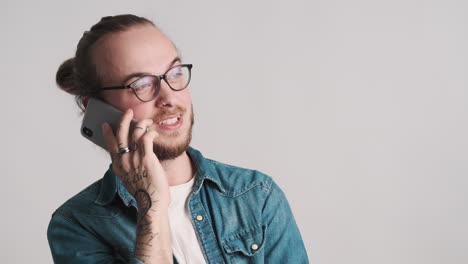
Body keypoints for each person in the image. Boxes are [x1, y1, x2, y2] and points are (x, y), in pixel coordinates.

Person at [47, 14, 309, 264]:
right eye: (141, 84)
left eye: (174, 73)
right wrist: (152, 206)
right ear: (96, 107)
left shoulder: (256, 196)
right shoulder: (77, 224)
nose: (169, 98)